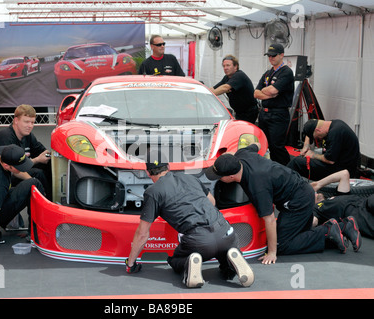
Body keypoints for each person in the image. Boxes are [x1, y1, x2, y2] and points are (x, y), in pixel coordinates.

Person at [205, 143, 361, 265]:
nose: (218, 179)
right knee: (298, 233)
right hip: (299, 190)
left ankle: (328, 231)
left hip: (297, 202)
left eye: (219, 176)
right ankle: (343, 227)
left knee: (283, 245)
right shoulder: (242, 154)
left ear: (231, 176)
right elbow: (257, 145)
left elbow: (270, 220)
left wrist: (272, 252)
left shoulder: (257, 185)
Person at [125, 150, 254, 288]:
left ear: (148, 173)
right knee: (224, 252)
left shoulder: (153, 192)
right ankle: (230, 260)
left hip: (199, 240)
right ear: (168, 167)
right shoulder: (190, 178)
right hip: (225, 231)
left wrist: (131, 263)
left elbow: (142, 233)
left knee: (175, 261)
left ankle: (190, 262)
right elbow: (212, 202)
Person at [0, 104, 51, 199]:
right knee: (38, 174)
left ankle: (55, 200)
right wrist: (34, 181)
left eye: (32, 123)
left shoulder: (28, 135)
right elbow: (12, 168)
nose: (30, 126)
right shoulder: (5, 137)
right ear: (16, 120)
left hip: (17, 170)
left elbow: (43, 152)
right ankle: (47, 204)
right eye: (26, 122)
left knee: (49, 164)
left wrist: (52, 156)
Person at [254, 43, 294, 166]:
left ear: (281, 55)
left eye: (273, 55)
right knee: (264, 144)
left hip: (278, 114)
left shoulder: (286, 72)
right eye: (269, 56)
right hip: (264, 113)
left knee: (276, 146)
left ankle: (287, 169)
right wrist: (270, 93)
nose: (271, 58)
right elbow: (256, 93)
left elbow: (273, 90)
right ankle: (270, 168)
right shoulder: (267, 73)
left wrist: (268, 91)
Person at [287, 119, 361, 181]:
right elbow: (311, 126)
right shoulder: (330, 124)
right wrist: (306, 146)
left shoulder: (334, 133)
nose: (319, 139)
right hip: (339, 162)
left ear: (318, 130)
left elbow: (330, 160)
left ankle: (283, 183)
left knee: (296, 162)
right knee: (301, 160)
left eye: (317, 137)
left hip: (342, 170)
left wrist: (313, 155)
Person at [311, 169, 371, 241]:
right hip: (362, 217)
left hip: (366, 203)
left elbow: (344, 174)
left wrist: (317, 184)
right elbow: (313, 222)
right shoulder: (317, 210)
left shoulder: (339, 195)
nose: (315, 193)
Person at [211, 55, 258, 124]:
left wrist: (210, 95)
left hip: (248, 113)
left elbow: (225, 87)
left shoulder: (239, 76)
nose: (225, 68)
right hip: (239, 112)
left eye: (228, 65)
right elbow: (214, 88)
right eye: (224, 66)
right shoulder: (227, 77)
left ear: (235, 66)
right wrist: (202, 92)